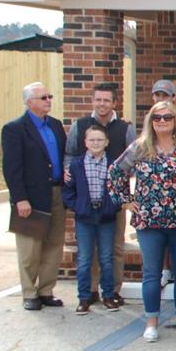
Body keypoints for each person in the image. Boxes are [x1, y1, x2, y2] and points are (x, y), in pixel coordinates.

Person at [108, 101, 176, 342]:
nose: (162, 121)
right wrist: (126, 201)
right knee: (151, 273)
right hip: (149, 222)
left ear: (175, 121)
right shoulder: (140, 147)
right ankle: (151, 322)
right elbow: (115, 171)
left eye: (167, 117)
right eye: (157, 117)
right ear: (150, 121)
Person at [64, 81, 134, 305]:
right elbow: (69, 152)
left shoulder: (125, 128)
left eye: (106, 100)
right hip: (87, 197)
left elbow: (134, 157)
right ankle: (91, 290)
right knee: (88, 252)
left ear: (114, 103)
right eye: (98, 99)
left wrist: (122, 183)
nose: (102, 104)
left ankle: (112, 290)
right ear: (92, 101)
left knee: (114, 248)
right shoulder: (80, 125)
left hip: (114, 200)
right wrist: (67, 171)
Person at [1, 83, 67, 311]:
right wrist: (19, 198)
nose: (49, 100)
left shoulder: (56, 125)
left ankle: (46, 291)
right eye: (43, 97)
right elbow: (11, 168)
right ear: (30, 102)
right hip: (30, 197)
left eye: (49, 96)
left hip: (57, 193)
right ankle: (29, 293)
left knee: (54, 244)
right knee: (30, 248)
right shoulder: (15, 129)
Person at [62, 124, 121, 314]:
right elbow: (68, 191)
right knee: (84, 259)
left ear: (107, 142)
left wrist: (112, 206)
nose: (96, 143)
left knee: (106, 258)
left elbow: (120, 189)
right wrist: (78, 206)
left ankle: (109, 295)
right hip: (84, 218)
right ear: (85, 142)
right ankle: (84, 297)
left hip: (106, 217)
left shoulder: (113, 164)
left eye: (100, 140)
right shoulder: (76, 165)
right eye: (92, 140)